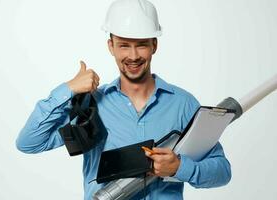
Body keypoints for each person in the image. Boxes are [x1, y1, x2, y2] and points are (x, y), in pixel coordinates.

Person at [16, 0, 231, 199]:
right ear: (111, 46)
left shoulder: (183, 104)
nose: (134, 55)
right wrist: (67, 89)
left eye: (142, 45)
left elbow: (222, 171)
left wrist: (179, 167)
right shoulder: (89, 105)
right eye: (124, 45)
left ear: (154, 45)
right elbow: (29, 143)